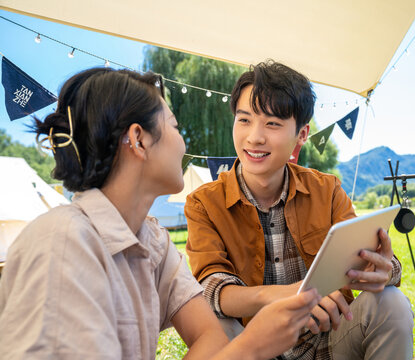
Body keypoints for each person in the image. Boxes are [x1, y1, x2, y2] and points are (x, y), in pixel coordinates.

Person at [0, 67, 321, 360]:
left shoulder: (153, 241)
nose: (182, 143)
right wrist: (251, 346)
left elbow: (210, 335)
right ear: (139, 140)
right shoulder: (63, 242)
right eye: (174, 126)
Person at [185, 61, 414, 360]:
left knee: (390, 302)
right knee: (217, 323)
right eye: (244, 120)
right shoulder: (204, 202)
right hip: (254, 347)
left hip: (330, 343)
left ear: (302, 134)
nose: (254, 137)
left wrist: (386, 270)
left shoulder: (327, 190)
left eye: (272, 124)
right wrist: (293, 295)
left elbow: (375, 257)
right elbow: (213, 288)